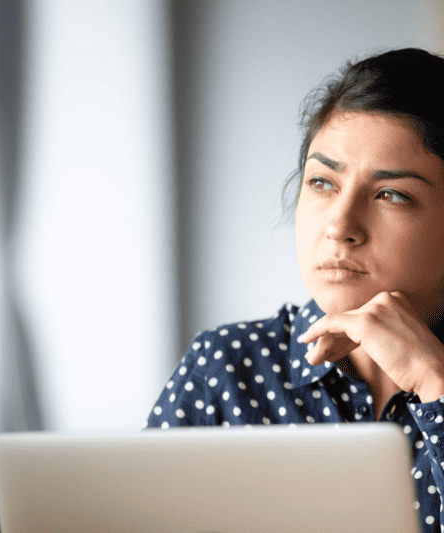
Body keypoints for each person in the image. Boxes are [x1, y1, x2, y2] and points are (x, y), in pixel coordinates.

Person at [147, 47, 444, 533]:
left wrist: (437, 385)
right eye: (323, 183)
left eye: (392, 194)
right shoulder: (225, 367)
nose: (340, 226)